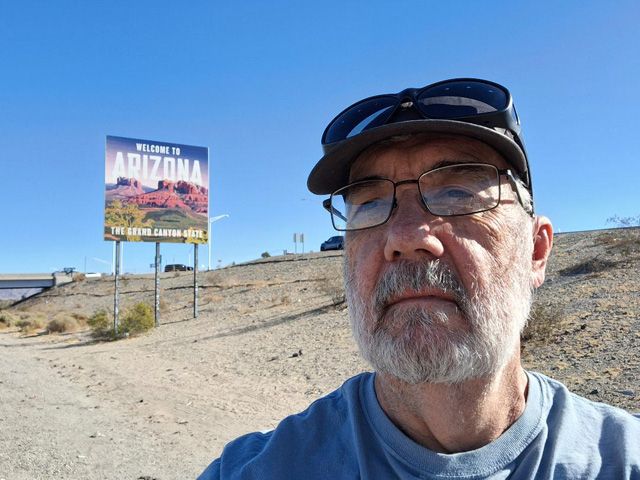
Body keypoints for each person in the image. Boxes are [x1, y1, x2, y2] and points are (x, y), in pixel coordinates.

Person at [199, 79, 640, 479]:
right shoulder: (257, 471)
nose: (406, 238)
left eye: (457, 192)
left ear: (536, 252)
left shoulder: (621, 462)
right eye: (369, 203)